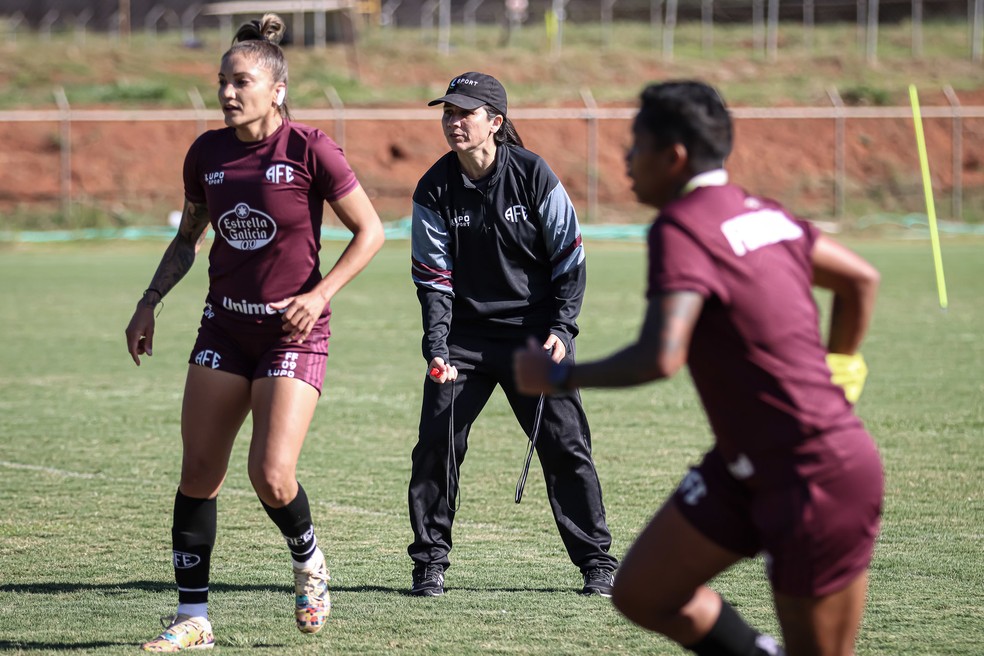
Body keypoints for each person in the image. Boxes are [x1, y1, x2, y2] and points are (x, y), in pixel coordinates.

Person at [514, 80, 883, 656]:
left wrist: (558, 376)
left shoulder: (681, 227)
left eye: (635, 144)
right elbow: (861, 280)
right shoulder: (762, 212)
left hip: (814, 474)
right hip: (743, 466)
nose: (626, 160)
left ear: (674, 157)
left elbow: (662, 356)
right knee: (641, 592)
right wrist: (843, 362)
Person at [124, 13, 385, 652]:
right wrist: (149, 299)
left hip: (293, 334)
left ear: (277, 89)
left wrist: (318, 294)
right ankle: (193, 618)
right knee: (198, 475)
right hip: (223, 327)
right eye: (222, 82)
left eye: (241, 81)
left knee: (271, 475)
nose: (227, 93)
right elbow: (189, 236)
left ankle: (309, 561)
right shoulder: (207, 153)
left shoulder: (310, 149)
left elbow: (371, 231)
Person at [408, 72, 619, 597]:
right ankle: (430, 563)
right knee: (437, 444)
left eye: (465, 113)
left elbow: (569, 256)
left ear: (495, 123)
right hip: (464, 341)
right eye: (448, 113)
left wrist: (563, 330)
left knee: (567, 446)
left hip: (533, 337)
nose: (453, 122)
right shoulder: (434, 187)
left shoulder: (532, 174)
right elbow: (433, 278)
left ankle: (597, 563)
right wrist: (437, 346)